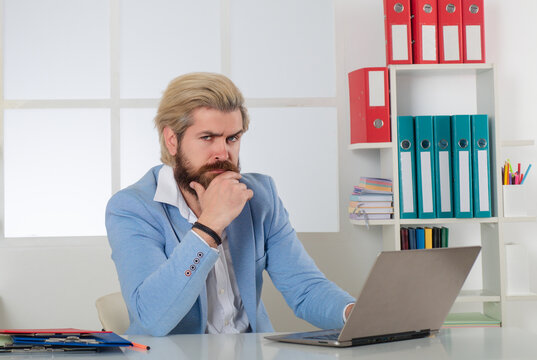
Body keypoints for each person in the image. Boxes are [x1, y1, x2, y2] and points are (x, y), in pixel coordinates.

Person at [105, 72, 355, 336]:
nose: (223, 153)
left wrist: (354, 313)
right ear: (172, 140)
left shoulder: (260, 196)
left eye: (232, 138)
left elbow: (306, 289)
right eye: (207, 138)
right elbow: (151, 319)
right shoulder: (132, 208)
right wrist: (210, 225)